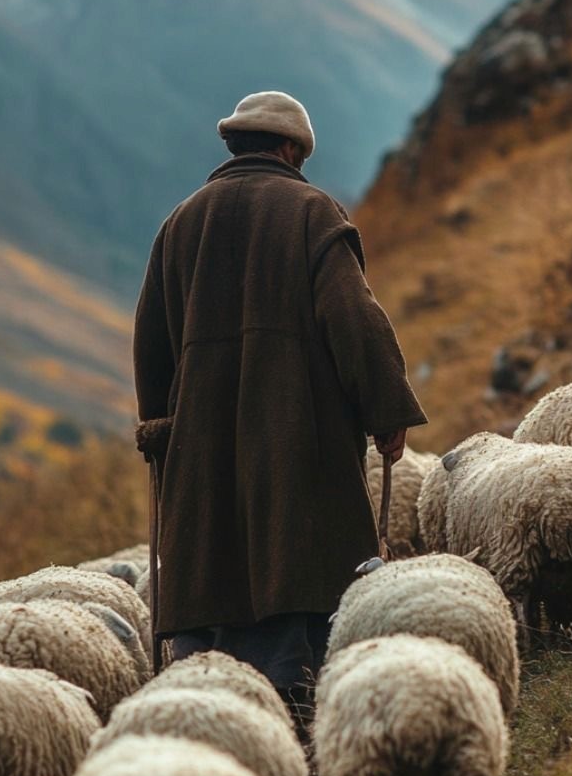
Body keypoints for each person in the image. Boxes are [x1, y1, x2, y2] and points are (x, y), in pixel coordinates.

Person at [133, 90, 426, 706]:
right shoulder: (311, 212)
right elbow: (354, 316)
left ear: (236, 146)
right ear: (291, 149)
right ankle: (295, 697)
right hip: (297, 433)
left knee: (211, 553)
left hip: (199, 443)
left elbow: (151, 341)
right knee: (295, 550)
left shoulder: (180, 223)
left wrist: (161, 428)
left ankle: (210, 697)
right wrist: (386, 409)